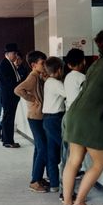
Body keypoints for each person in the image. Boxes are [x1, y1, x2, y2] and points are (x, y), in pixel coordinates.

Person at [61, 28, 103, 205]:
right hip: (91, 117)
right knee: (100, 162)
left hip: (74, 114)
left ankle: (67, 203)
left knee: (73, 160)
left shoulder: (94, 65)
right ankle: (79, 202)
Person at [15, 50, 49, 193]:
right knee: (43, 148)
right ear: (34, 65)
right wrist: (33, 100)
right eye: (42, 63)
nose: (45, 65)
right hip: (35, 117)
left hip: (37, 117)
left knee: (39, 148)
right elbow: (18, 89)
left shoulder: (39, 76)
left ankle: (37, 177)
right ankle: (35, 182)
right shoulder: (33, 77)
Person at [59, 48, 86, 201]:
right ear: (83, 61)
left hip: (66, 116)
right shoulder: (82, 77)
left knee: (65, 156)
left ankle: (64, 191)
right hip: (77, 118)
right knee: (72, 157)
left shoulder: (68, 77)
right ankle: (68, 194)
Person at [42, 56, 66, 193]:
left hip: (47, 119)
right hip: (55, 119)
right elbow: (69, 94)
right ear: (59, 70)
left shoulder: (48, 82)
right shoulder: (56, 83)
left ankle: (54, 184)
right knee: (65, 151)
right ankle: (66, 189)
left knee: (52, 153)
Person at [0, 43, 27, 148]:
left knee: (8, 118)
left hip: (10, 96)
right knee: (8, 119)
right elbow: (11, 83)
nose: (16, 55)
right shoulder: (4, 64)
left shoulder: (10, 63)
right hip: (9, 96)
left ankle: (6, 140)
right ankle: (8, 141)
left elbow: (15, 78)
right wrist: (22, 84)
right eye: (14, 53)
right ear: (8, 53)